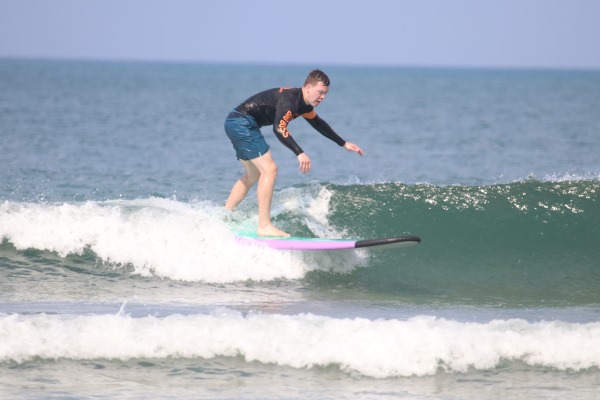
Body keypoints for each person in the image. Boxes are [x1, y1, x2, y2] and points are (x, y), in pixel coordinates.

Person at [224, 69, 364, 237]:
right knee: (270, 170)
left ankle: (225, 215)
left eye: (325, 94)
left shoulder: (304, 104)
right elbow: (279, 128)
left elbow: (318, 123)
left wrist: (343, 143)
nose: (322, 97)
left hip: (235, 122)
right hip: (242, 123)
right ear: (308, 87)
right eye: (320, 92)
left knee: (253, 174)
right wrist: (299, 153)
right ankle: (264, 226)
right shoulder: (290, 100)